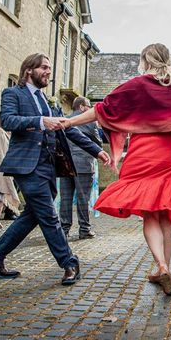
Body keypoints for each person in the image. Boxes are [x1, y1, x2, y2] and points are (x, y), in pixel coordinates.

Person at [61, 43, 171, 295]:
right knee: (165, 212)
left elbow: (102, 110)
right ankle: (164, 269)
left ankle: (162, 265)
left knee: (150, 213)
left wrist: (69, 121)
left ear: (146, 60)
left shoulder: (138, 84)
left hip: (144, 151)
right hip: (170, 153)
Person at [0, 53, 110, 285]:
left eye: (49, 68)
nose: (49, 72)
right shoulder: (13, 94)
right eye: (44, 68)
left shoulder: (50, 102)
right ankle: (69, 262)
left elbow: (68, 129)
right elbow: (7, 120)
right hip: (26, 165)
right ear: (29, 70)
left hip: (49, 166)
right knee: (48, 215)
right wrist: (40, 121)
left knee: (33, 215)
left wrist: (96, 151)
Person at [59, 96, 102, 240]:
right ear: (82, 107)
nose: (90, 109)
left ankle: (64, 230)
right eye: (89, 106)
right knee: (83, 197)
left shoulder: (65, 119)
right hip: (83, 163)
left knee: (65, 198)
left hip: (65, 163)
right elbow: (98, 143)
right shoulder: (89, 122)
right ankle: (84, 229)